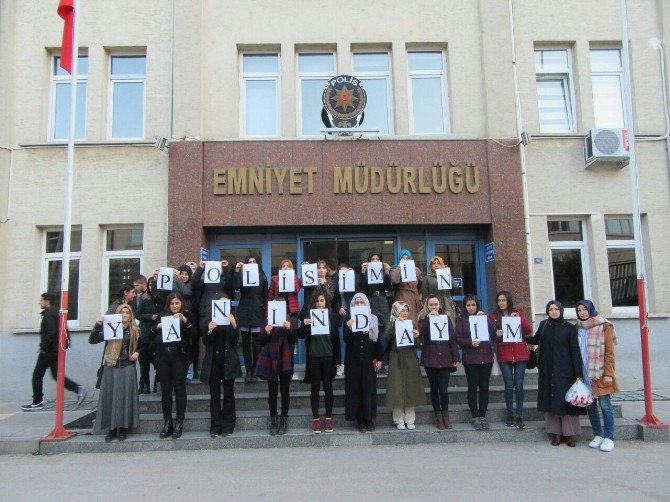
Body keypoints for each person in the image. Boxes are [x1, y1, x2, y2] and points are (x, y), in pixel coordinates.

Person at [526, 300, 585, 447]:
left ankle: (569, 434)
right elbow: (535, 339)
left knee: (567, 402)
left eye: (556, 309)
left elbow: (575, 351)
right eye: (551, 309)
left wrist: (578, 373)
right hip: (547, 370)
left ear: (561, 311)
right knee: (551, 402)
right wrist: (518, 334)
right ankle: (556, 434)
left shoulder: (569, 328)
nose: (553, 312)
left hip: (566, 371)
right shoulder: (544, 325)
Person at [22, 293, 87, 411]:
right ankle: (78, 389)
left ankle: (37, 401)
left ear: (47, 302)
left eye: (41, 300)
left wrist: (44, 348)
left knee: (37, 375)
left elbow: (51, 333)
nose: (39, 302)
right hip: (57, 350)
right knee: (57, 375)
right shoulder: (57, 313)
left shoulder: (49, 315)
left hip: (49, 351)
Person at [89, 304, 142, 442]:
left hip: (127, 367)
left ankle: (123, 428)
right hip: (111, 366)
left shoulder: (135, 330)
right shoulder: (110, 328)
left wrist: (136, 353)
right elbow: (93, 339)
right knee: (111, 397)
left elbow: (142, 345)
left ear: (131, 315)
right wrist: (98, 324)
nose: (125, 315)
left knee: (125, 398)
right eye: (122, 312)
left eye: (127, 312)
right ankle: (112, 429)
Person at [575, 300, 619, 452]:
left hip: (600, 372)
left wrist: (609, 373)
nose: (582, 312)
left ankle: (609, 437)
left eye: (584, 309)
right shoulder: (578, 328)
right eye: (579, 310)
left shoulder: (604, 325)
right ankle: (598, 434)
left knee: (605, 405)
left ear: (590, 310)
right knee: (591, 406)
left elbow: (609, 351)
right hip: (585, 371)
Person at [151, 292, 196, 439]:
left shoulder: (186, 315)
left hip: (179, 357)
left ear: (181, 303)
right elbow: (149, 336)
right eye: (172, 304)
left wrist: (185, 321)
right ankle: (167, 421)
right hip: (164, 357)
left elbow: (195, 336)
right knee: (166, 390)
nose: (175, 306)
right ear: (168, 305)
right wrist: (157, 327)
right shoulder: (162, 316)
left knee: (180, 389)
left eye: (177, 303)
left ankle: (179, 421)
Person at [488, 290, 532, 429]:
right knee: (508, 386)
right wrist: (497, 334)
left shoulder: (518, 313)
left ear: (509, 301)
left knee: (518, 385)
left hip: (520, 353)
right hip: (504, 353)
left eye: (504, 300)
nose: (501, 303)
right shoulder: (494, 317)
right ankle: (510, 413)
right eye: (499, 300)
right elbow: (491, 336)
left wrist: (518, 319)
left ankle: (519, 414)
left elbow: (528, 330)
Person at [299, 291, 341, 434]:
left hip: (328, 356)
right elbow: (300, 335)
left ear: (325, 302)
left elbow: (336, 340)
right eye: (317, 301)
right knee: (315, 388)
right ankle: (316, 419)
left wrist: (338, 360)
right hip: (314, 356)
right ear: (313, 303)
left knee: (328, 387)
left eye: (322, 300)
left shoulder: (331, 317)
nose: (319, 303)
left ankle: (328, 418)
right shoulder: (309, 317)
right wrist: (304, 324)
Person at [201, 293, 242, 437]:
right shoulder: (211, 320)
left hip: (228, 361)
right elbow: (205, 342)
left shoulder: (232, 319)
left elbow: (235, 341)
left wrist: (234, 325)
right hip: (214, 361)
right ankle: (215, 425)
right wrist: (210, 330)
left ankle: (228, 424)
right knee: (215, 395)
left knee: (229, 394)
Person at [256, 297, 297, 436]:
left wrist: (289, 328)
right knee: (272, 392)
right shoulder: (267, 321)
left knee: (285, 391)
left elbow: (293, 341)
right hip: (270, 359)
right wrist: (266, 332)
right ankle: (273, 419)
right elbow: (261, 342)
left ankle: (283, 419)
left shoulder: (289, 321)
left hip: (284, 357)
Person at [418, 295, 459, 429]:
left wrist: (455, 357)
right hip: (431, 357)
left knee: (443, 390)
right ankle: (438, 416)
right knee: (434, 389)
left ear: (439, 305)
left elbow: (452, 338)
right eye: (431, 305)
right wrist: (428, 319)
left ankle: (445, 415)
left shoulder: (445, 318)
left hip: (445, 357)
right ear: (427, 306)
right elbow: (421, 334)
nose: (434, 307)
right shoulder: (424, 319)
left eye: (435, 304)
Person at [343, 293, 383, 432]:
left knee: (368, 389)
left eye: (362, 303)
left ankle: (369, 419)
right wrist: (349, 327)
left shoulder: (373, 319)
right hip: (353, 360)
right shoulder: (348, 319)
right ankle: (359, 420)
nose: (359, 305)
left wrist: (379, 359)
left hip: (368, 359)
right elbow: (346, 339)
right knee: (356, 390)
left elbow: (377, 341)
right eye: (357, 303)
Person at [384, 301, 426, 430]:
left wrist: (417, 337)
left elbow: (417, 344)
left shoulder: (411, 323)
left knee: (410, 387)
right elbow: (387, 337)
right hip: (396, 357)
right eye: (402, 310)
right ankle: (398, 419)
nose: (405, 313)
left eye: (407, 310)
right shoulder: (392, 323)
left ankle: (410, 418)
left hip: (410, 358)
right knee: (397, 388)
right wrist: (394, 322)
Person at [455, 294, 494, 430]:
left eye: (473, 305)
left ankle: (483, 415)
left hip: (486, 356)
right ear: (465, 306)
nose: (471, 308)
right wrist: (470, 343)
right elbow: (458, 338)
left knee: (484, 387)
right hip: (471, 358)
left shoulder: (483, 317)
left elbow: (493, 333)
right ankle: (475, 416)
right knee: (472, 386)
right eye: (468, 305)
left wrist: (486, 319)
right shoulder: (461, 320)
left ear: (477, 305)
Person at [192, 260, 234, 381]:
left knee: (222, 340)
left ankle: (223, 369)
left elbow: (231, 285)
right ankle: (206, 368)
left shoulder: (224, 280)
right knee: (207, 340)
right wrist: (200, 269)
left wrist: (226, 268)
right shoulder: (205, 280)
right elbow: (195, 284)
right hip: (206, 314)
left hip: (223, 315)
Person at [233, 255, 268, 382]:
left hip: (257, 313)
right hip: (244, 313)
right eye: (249, 262)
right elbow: (236, 286)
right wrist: (237, 271)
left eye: (254, 261)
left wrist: (263, 311)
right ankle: (248, 371)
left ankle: (255, 371)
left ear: (258, 263)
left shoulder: (263, 277)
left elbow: (265, 296)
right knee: (246, 344)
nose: (252, 263)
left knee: (257, 345)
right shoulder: (242, 276)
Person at [358, 251, 392, 373]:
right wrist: (362, 272)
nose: (375, 261)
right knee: (373, 336)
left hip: (382, 304)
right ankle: (375, 364)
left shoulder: (383, 271)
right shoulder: (366, 272)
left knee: (384, 337)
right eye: (373, 259)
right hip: (370, 303)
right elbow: (360, 287)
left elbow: (389, 287)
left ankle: (379, 361)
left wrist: (387, 272)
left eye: (378, 259)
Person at [135, 276, 163, 394]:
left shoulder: (162, 300)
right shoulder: (144, 299)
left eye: (154, 285)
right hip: (146, 334)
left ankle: (157, 383)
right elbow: (138, 315)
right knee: (144, 361)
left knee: (158, 361)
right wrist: (150, 316)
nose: (152, 288)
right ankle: (144, 385)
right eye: (151, 285)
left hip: (158, 334)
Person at [332, 263, 356, 377]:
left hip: (352, 315)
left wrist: (353, 276)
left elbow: (359, 294)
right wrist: (339, 308)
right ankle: (342, 364)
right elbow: (333, 300)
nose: (344, 273)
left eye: (347, 271)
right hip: (341, 315)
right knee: (342, 341)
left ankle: (351, 364)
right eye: (342, 271)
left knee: (353, 340)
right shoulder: (336, 284)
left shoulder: (353, 282)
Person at [390, 249, 422, 325]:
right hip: (402, 298)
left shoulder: (416, 270)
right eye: (403, 258)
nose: (405, 260)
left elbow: (421, 284)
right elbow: (394, 280)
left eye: (407, 258)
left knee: (416, 321)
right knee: (403, 321)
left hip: (415, 299)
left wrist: (420, 295)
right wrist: (400, 267)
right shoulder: (395, 269)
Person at [420, 255, 457, 322]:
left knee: (449, 324)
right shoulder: (427, 278)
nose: (436, 265)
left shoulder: (445, 275)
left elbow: (454, 285)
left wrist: (447, 273)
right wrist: (428, 307)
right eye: (434, 263)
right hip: (434, 305)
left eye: (438, 263)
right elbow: (424, 295)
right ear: (431, 266)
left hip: (447, 304)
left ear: (442, 264)